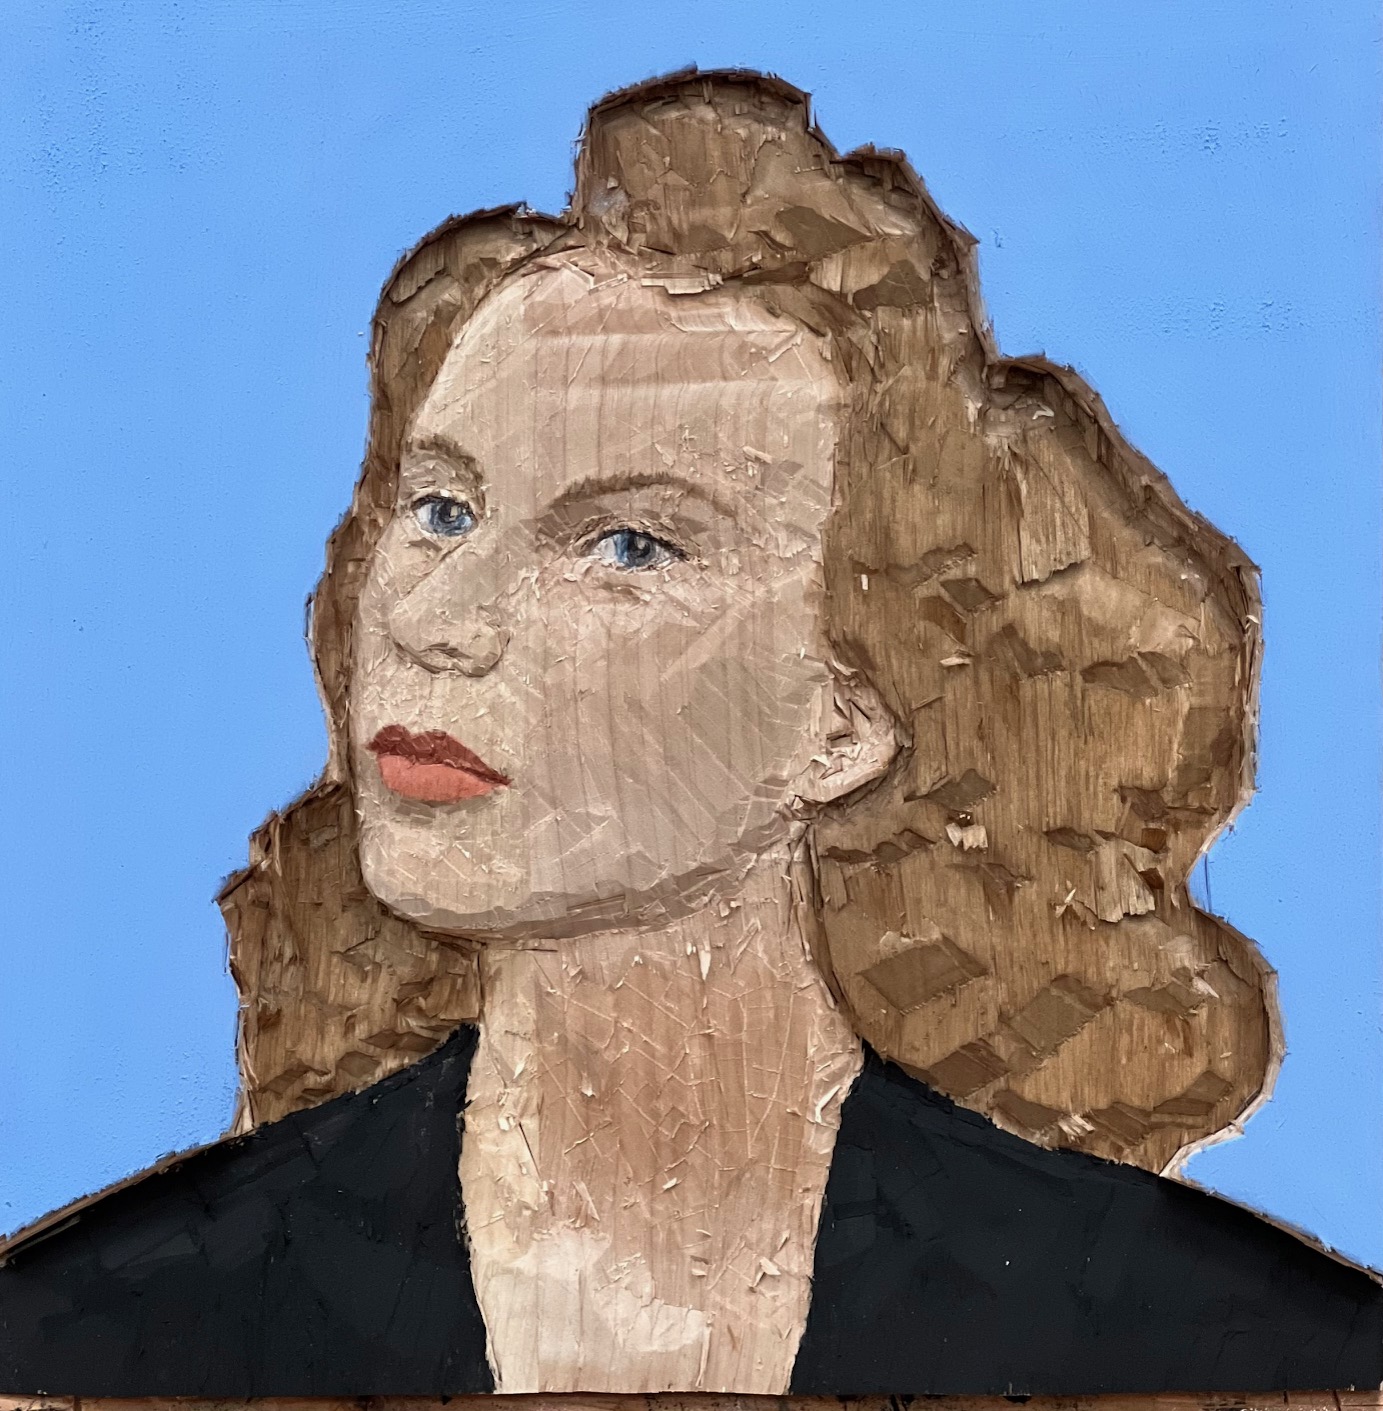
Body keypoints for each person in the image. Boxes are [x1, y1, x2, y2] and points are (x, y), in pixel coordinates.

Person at [2, 68, 1379, 1398]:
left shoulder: (1245, 1353)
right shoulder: (90, 1340)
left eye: (627, 545)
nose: (438, 622)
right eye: (442, 511)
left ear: (850, 714)